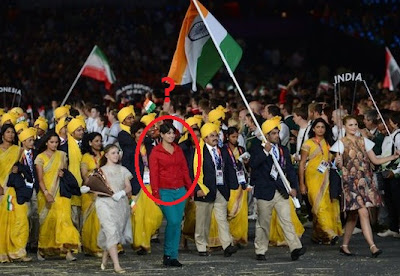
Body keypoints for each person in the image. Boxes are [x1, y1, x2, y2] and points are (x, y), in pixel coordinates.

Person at [331, 115, 399, 257]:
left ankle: (344, 245)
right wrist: (337, 161)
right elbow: (337, 166)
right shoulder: (340, 143)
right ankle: (373, 246)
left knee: (353, 215)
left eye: (355, 124)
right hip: (350, 182)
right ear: (344, 127)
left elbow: (375, 160)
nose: (354, 127)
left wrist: (393, 157)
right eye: (350, 125)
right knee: (363, 212)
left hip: (364, 180)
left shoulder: (364, 141)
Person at [249, 116, 306, 261]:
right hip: (264, 191)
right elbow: (253, 165)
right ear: (266, 135)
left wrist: (293, 187)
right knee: (263, 223)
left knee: (287, 220)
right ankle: (260, 250)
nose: (276, 136)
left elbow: (290, 171)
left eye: (277, 133)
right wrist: (265, 152)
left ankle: (295, 247)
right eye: (273, 133)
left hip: (281, 191)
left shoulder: (283, 150)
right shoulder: (257, 147)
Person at [149, 122, 193, 267]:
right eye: (168, 133)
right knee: (173, 221)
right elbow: (154, 174)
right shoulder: (156, 152)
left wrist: (189, 188)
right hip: (164, 191)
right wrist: (155, 193)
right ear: (161, 135)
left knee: (176, 223)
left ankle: (172, 256)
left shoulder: (178, 150)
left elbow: (184, 169)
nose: (171, 135)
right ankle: (168, 254)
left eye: (173, 133)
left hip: (180, 190)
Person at [84, 144, 132, 273]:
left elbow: (128, 187)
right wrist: (87, 188)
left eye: (117, 152)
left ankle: (106, 255)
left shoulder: (123, 170)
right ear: (106, 155)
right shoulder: (100, 171)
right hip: (104, 204)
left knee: (115, 232)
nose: (116, 155)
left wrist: (122, 193)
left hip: (120, 204)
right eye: (113, 153)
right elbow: (92, 184)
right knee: (111, 231)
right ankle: (117, 265)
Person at [193, 123, 238, 257]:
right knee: (203, 221)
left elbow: (229, 168)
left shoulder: (222, 150)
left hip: (221, 189)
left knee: (222, 219)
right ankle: (201, 246)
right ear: (205, 138)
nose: (215, 138)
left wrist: (232, 185)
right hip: (205, 190)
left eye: (216, 135)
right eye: (211, 136)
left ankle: (227, 245)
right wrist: (197, 189)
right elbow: (193, 172)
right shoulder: (198, 152)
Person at [35, 131, 80, 261]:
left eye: (56, 142)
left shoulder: (62, 155)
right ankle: (42, 249)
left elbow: (65, 172)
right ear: (46, 143)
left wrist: (63, 174)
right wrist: (46, 193)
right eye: (52, 142)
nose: (54, 145)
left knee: (64, 220)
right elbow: (40, 179)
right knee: (48, 223)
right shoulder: (40, 158)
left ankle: (67, 252)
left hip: (61, 193)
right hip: (46, 194)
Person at [299, 118, 343, 245]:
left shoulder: (329, 143)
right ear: (313, 129)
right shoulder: (308, 144)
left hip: (327, 178)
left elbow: (335, 160)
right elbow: (302, 163)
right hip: (312, 178)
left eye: (322, 127)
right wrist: (302, 183)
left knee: (328, 205)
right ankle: (330, 233)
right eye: (317, 127)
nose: (320, 129)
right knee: (318, 206)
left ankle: (318, 235)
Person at [208, 127, 250, 247]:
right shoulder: (223, 150)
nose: (235, 139)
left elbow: (247, 167)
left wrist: (246, 163)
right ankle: (228, 237)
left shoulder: (241, 149)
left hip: (241, 183)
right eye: (233, 137)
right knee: (229, 211)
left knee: (241, 212)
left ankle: (239, 237)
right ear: (227, 137)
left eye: (237, 137)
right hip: (229, 183)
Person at [0, 124, 32, 262]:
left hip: (14, 188)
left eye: (13, 132)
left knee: (20, 218)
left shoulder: (18, 150)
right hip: (1, 188)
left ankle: (18, 252)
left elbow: (24, 169)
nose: (11, 135)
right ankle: (3, 252)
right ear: (2, 134)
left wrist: (18, 170)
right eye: (8, 132)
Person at [130, 121, 163, 255]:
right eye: (138, 132)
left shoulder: (151, 147)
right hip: (136, 187)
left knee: (155, 215)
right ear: (133, 135)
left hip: (150, 185)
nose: (141, 134)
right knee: (137, 217)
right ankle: (141, 244)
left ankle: (146, 239)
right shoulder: (129, 149)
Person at [80, 132, 104, 257]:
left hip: (105, 190)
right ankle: (93, 247)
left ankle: (106, 246)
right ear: (90, 143)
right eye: (96, 141)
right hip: (90, 191)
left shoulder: (105, 155)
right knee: (92, 220)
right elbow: (84, 175)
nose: (99, 143)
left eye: (100, 140)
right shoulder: (86, 157)